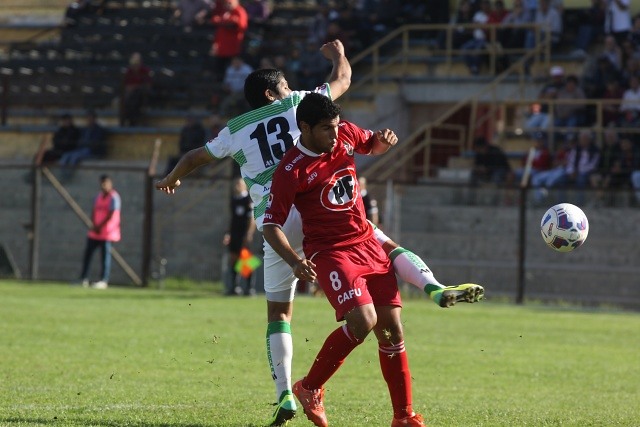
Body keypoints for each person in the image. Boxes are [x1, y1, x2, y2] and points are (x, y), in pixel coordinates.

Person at [156, 39, 482, 427]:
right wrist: (339, 54)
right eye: (285, 85)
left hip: (277, 217)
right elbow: (342, 78)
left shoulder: (239, 128)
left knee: (280, 312)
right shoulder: (302, 105)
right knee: (381, 242)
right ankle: (431, 288)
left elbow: (195, 157)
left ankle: (284, 394)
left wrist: (172, 178)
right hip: (306, 208)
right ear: (271, 92)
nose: (291, 89)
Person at [262, 94, 481, 427]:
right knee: (363, 320)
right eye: (325, 130)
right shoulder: (291, 169)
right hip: (331, 252)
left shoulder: (345, 133)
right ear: (304, 128)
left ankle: (404, 417)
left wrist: (383, 142)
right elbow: (271, 225)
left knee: (392, 330)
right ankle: (309, 387)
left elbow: (371, 145)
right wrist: (294, 260)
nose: (334, 136)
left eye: (336, 127)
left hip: (366, 243)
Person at [78, 174, 121, 289]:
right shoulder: (99, 196)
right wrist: (93, 225)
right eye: (102, 183)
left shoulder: (114, 197)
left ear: (110, 183)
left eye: (105, 183)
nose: (103, 185)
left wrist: (99, 226)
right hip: (95, 232)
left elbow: (111, 214)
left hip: (107, 233)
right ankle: (84, 278)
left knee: (105, 257)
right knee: (87, 255)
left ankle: (104, 280)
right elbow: (94, 211)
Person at [222, 177, 256, 295]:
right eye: (235, 183)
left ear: (244, 186)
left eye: (238, 183)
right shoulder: (233, 200)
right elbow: (232, 219)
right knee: (233, 259)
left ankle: (249, 288)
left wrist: (249, 233)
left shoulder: (248, 199)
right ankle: (234, 287)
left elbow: (252, 218)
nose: (236, 186)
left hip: (243, 234)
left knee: (246, 259)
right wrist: (228, 234)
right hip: (234, 234)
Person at [208, 0, 248, 79]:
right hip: (222, 48)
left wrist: (224, 22)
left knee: (232, 70)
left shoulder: (239, 11)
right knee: (219, 70)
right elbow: (215, 20)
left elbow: (241, 25)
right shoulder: (226, 12)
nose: (227, 5)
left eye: (229, 3)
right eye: (226, 3)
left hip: (233, 48)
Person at [120, 52, 152, 126]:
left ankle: (133, 120)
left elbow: (148, 85)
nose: (135, 64)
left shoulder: (145, 70)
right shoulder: (129, 71)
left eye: (137, 62)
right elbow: (126, 86)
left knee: (136, 95)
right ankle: (131, 119)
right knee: (129, 99)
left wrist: (135, 87)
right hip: (131, 95)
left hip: (141, 95)